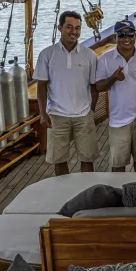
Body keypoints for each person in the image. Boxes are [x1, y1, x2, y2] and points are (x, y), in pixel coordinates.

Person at [34, 10, 98, 176]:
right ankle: (64, 194)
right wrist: (43, 113)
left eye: (77, 28)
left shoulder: (89, 55)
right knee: (59, 160)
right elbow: (41, 86)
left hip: (83, 114)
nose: (74, 31)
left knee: (87, 158)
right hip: (56, 115)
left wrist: (91, 111)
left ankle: (88, 194)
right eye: (69, 27)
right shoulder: (47, 55)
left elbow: (94, 86)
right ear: (59, 28)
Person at [94, 19, 136, 172]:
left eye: (130, 34)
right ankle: (117, 194)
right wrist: (114, 77)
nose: (126, 38)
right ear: (115, 38)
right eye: (121, 35)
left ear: (135, 36)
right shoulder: (106, 60)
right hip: (118, 119)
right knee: (118, 164)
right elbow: (99, 86)